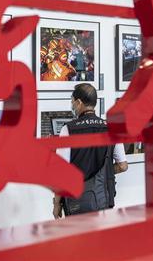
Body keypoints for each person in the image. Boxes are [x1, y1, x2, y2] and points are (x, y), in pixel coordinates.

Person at [53, 83, 128, 219]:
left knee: (79, 240)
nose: (72, 106)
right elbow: (123, 166)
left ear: (79, 102)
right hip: (104, 200)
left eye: (72, 102)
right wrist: (105, 173)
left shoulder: (68, 129)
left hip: (76, 203)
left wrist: (56, 203)